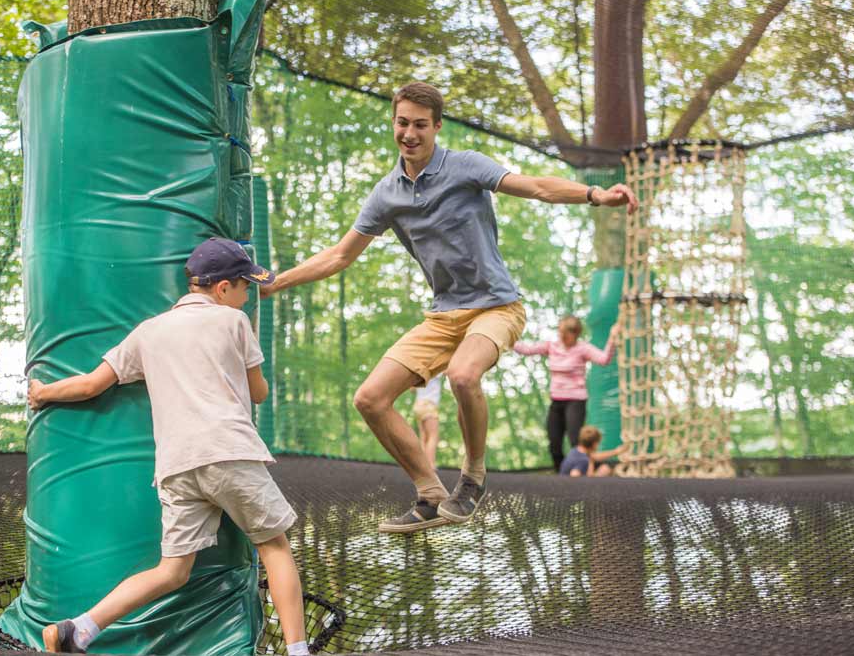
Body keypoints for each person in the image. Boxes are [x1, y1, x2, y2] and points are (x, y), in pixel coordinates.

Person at [259, 81, 638, 533]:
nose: (410, 133)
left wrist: (596, 196)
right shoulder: (387, 194)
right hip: (444, 315)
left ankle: (473, 477)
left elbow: (535, 186)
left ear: (436, 127)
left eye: (421, 124)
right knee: (370, 399)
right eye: (403, 123)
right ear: (394, 124)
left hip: (497, 307)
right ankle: (429, 493)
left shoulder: (465, 167)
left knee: (462, 374)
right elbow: (340, 255)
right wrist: (277, 283)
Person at [27, 238, 309, 656]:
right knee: (273, 546)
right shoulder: (234, 323)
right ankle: (299, 652)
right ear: (222, 288)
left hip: (177, 467)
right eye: (246, 286)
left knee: (173, 570)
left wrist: (43, 392)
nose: (248, 295)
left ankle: (79, 628)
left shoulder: (149, 332)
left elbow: (91, 385)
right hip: (229, 452)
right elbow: (260, 392)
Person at [513, 316, 621, 472]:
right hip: (556, 401)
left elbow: (604, 359)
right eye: (560, 334)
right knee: (554, 443)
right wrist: (506, 338)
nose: (562, 338)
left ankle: (585, 474)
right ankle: (562, 475)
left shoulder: (583, 348)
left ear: (575, 334)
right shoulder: (552, 346)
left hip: (575, 401)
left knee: (576, 442)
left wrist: (612, 337)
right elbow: (527, 350)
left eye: (566, 335)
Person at [559, 425, 626, 477]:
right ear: (595, 444)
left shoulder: (575, 450)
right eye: (598, 443)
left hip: (563, 477)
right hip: (571, 484)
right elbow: (574, 474)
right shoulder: (584, 460)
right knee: (604, 470)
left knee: (605, 468)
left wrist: (616, 451)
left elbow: (595, 456)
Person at [412, 373, 444, 467]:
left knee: (423, 437)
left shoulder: (420, 372)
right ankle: (430, 465)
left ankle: (421, 465)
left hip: (418, 404)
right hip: (429, 404)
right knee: (433, 436)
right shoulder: (436, 369)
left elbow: (412, 389)